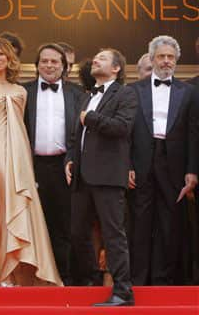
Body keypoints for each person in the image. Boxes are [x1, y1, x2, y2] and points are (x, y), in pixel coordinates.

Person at [0, 37, 62, 287]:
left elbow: (23, 127)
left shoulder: (20, 90)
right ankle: (6, 273)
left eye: (2, 55)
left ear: (10, 58)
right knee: (2, 210)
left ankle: (28, 271)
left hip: (20, 153)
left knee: (25, 205)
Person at [65, 48, 137, 306]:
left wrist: (92, 119)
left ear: (116, 68)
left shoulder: (126, 93)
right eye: (95, 57)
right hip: (82, 176)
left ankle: (123, 292)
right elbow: (76, 136)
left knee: (113, 234)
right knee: (76, 232)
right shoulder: (87, 97)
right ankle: (90, 283)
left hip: (107, 176)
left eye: (103, 58)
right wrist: (70, 159)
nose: (96, 59)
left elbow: (122, 127)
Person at [128, 36, 198, 285]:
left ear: (176, 60)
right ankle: (138, 281)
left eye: (170, 57)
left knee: (170, 224)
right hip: (142, 160)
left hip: (175, 164)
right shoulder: (134, 90)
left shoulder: (189, 92)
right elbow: (126, 133)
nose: (166, 61)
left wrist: (192, 171)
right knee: (140, 222)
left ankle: (163, 281)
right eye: (161, 56)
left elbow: (193, 132)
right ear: (152, 59)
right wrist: (128, 166)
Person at [23, 43, 85, 285]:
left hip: (64, 167)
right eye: (44, 61)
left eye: (54, 62)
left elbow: (80, 134)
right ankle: (36, 280)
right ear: (37, 65)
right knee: (35, 225)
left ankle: (65, 280)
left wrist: (73, 161)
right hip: (32, 167)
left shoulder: (77, 94)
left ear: (64, 66)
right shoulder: (23, 91)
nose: (49, 65)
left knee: (64, 225)